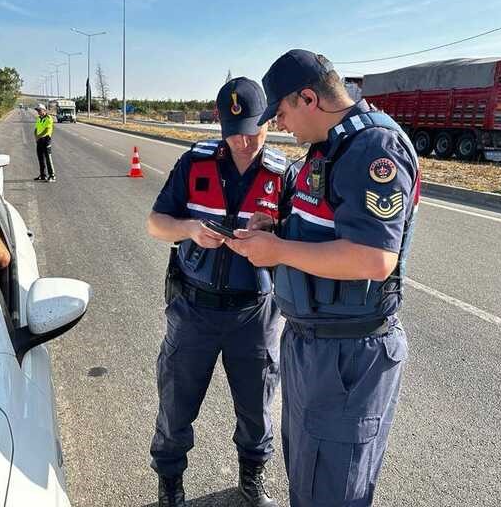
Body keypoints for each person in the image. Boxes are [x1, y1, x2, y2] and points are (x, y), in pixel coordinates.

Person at [226, 50, 420, 507]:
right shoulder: (326, 148)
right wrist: (273, 233)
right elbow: (320, 231)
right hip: (311, 344)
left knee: (332, 488)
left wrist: (279, 251)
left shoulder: (373, 148)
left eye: (284, 112)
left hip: (347, 353)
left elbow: (375, 259)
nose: (282, 125)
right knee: (307, 475)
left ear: (309, 98)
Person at [147, 77, 298, 507]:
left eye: (253, 130)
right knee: (176, 404)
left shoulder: (283, 173)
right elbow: (156, 223)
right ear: (220, 124)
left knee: (257, 406)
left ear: (268, 120)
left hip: (254, 312)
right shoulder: (194, 164)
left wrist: (275, 234)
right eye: (234, 132)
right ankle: (170, 483)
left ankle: (252, 477)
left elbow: (299, 242)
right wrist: (190, 229)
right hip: (193, 309)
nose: (244, 142)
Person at [34, 103, 55, 182]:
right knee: (40, 158)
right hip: (39, 140)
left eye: (39, 110)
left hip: (46, 140)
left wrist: (39, 136)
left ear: (44, 110)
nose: (38, 112)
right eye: (37, 110)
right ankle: (43, 175)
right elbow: (36, 129)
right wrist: (36, 136)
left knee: (48, 158)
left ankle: (52, 176)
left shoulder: (49, 118)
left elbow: (47, 130)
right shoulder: (39, 118)